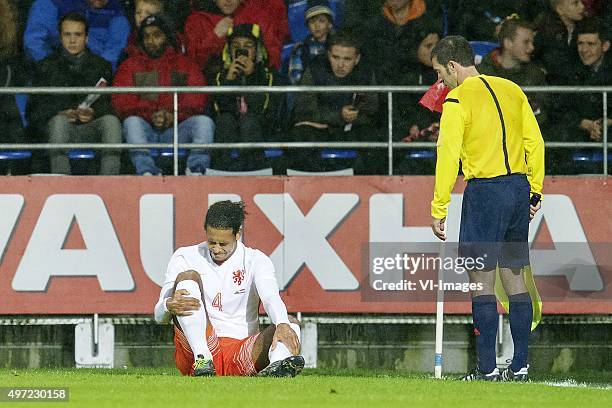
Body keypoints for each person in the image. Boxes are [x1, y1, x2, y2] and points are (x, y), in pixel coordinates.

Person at [429, 35, 544, 381]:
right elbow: (534, 141)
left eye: (439, 73)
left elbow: (447, 155)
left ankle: (487, 369)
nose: (439, 82)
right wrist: (535, 191)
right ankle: (520, 365)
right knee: (513, 277)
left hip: (484, 191)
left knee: (480, 281)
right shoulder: (511, 89)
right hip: (518, 188)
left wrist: (439, 206)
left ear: (452, 65)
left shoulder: (458, 100)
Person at [153, 200, 305, 377]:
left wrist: (282, 324)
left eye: (223, 244)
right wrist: (168, 306)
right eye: (212, 242)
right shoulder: (184, 256)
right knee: (187, 278)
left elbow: (271, 297)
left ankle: (276, 368)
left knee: (290, 324)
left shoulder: (256, 260)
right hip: (197, 353)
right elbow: (159, 316)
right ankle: (204, 360)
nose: (216, 249)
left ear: (238, 234)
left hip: (242, 352)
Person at [112, 14, 214, 176]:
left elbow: (197, 99)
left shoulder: (185, 64)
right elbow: (121, 101)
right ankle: (147, 171)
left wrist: (173, 115)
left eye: (157, 35)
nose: (151, 41)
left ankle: (197, 170)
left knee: (204, 122)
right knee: (132, 122)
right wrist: (151, 114)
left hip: (177, 129)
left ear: (166, 35)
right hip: (146, 131)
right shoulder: (130, 65)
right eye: (146, 36)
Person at [28, 12, 122, 175]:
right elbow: (34, 110)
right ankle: (61, 181)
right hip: (56, 131)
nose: (72, 40)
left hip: (91, 128)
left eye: (77, 35)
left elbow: (111, 105)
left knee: (111, 122)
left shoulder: (101, 66)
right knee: (59, 123)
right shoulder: (44, 67)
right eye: (67, 35)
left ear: (86, 38)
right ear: (60, 37)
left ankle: (110, 182)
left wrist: (94, 112)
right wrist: (60, 113)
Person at [210, 23, 284, 172]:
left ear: (257, 50)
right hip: (230, 128)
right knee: (225, 120)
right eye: (235, 45)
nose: (241, 50)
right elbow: (218, 110)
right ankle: (221, 173)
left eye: (248, 45)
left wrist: (251, 76)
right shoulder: (220, 77)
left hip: (260, 129)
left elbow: (265, 110)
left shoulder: (269, 76)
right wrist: (229, 81)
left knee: (248, 120)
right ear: (229, 50)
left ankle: (254, 173)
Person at [184, 0, 288, 79]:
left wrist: (254, 69)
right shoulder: (197, 20)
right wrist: (215, 37)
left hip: (254, 83)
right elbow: (194, 66)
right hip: (214, 89)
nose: (228, 0)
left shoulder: (258, 14)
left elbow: (272, 58)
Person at [477, 16, 549, 129]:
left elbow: (541, 116)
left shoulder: (535, 74)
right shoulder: (480, 73)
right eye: (526, 42)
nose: (531, 47)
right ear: (508, 43)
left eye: (532, 42)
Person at [23, 0, 130, 71]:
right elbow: (33, 43)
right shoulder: (50, 4)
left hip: (93, 79)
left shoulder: (117, 14)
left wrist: (93, 74)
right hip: (52, 75)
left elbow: (114, 53)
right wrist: (53, 70)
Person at [533, 0, 585, 84]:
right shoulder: (544, 32)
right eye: (575, 3)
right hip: (551, 86)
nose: (582, 6)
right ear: (560, 9)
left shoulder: (586, 28)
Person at [286, 0, 335, 85]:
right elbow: (295, 78)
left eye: (321, 21)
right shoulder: (301, 49)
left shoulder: (340, 46)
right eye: (312, 22)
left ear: (330, 24)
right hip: (310, 92)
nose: (317, 26)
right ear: (307, 26)